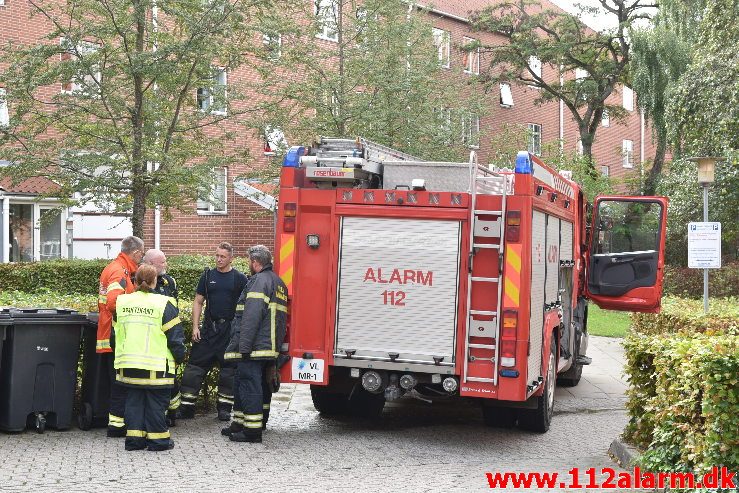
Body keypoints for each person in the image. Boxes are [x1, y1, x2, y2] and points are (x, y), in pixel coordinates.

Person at [113, 264, 185, 452]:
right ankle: (159, 441)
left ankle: (134, 441)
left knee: (134, 403)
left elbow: (115, 335)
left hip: (128, 366)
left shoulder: (122, 302)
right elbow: (175, 339)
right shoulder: (164, 304)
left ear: (135, 281)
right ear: (155, 281)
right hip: (156, 367)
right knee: (156, 403)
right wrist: (180, 357)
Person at [178, 242, 249, 421]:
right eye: (217, 255)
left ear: (231, 258)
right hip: (209, 330)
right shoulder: (207, 276)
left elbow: (247, 306)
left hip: (229, 332)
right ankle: (186, 408)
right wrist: (195, 327)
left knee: (228, 373)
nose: (218, 259)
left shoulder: (239, 278)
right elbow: (198, 301)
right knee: (193, 369)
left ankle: (224, 410)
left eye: (223, 256)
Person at [227, 245, 287, 444]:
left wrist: (243, 347)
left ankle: (252, 432)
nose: (248, 265)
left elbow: (251, 316)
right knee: (260, 385)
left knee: (248, 385)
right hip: (269, 346)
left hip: (254, 346)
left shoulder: (259, 281)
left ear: (255, 262)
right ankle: (243, 423)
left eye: (248, 262)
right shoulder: (278, 282)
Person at [97, 235, 145, 438]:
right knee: (120, 382)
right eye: (141, 254)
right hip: (116, 335)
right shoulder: (120, 272)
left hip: (110, 333)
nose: (141, 258)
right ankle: (117, 426)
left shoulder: (116, 268)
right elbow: (113, 303)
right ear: (135, 253)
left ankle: (117, 424)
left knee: (116, 381)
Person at [142, 249, 180, 427]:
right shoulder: (141, 280)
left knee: (170, 379)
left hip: (168, 336)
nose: (165, 265)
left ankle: (172, 412)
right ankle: (159, 417)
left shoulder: (169, 282)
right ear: (150, 264)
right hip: (149, 340)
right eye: (162, 262)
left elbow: (174, 308)